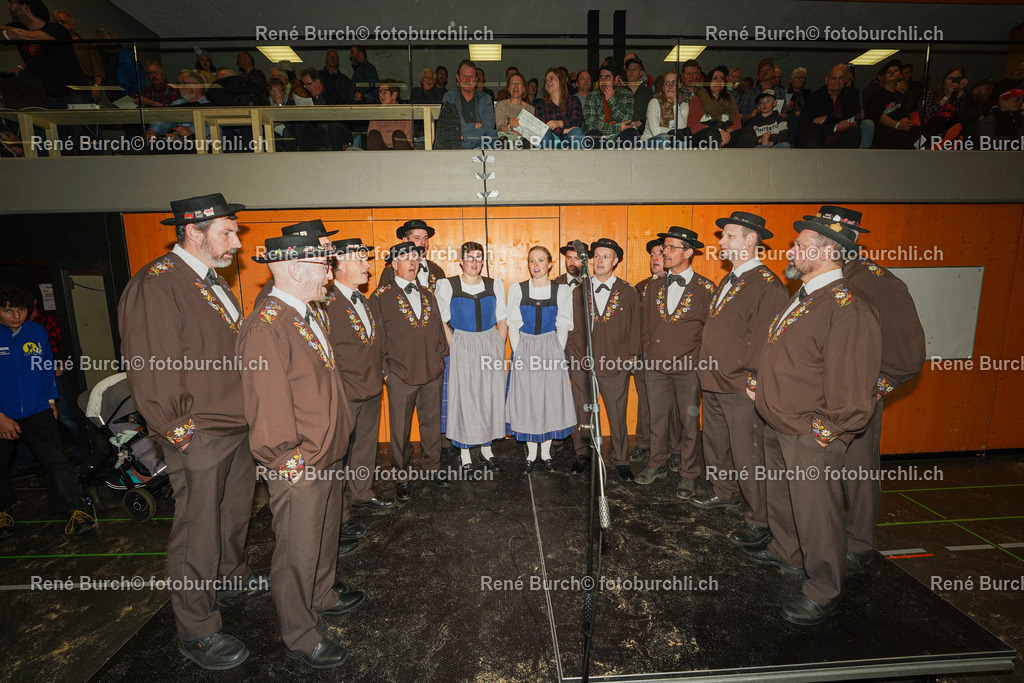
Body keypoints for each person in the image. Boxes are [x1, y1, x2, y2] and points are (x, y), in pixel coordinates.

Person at [118, 194, 262, 669]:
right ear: (193, 231)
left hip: (235, 421)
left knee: (235, 510)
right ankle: (197, 627)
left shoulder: (211, 280)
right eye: (228, 232)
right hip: (197, 429)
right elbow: (149, 363)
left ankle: (230, 572)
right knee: (196, 528)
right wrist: (177, 428)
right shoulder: (157, 284)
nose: (236, 241)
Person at [743, 211, 882, 626]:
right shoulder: (804, 294)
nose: (791, 251)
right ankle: (788, 552)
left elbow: (854, 387)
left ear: (825, 252)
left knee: (817, 513)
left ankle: (824, 588)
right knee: (784, 501)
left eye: (799, 246)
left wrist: (823, 433)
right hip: (778, 423)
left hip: (808, 432)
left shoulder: (848, 306)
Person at [238, 233, 358, 669]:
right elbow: (266, 404)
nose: (331, 273)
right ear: (294, 269)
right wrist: (288, 460)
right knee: (296, 548)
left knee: (324, 535)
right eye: (324, 266)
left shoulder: (306, 314)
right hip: (299, 461)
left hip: (325, 451)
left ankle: (322, 594)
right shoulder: (266, 326)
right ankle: (300, 634)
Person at [832, 206, 926, 575]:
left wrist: (870, 393)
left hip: (856, 399)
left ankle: (859, 545)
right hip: (819, 400)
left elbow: (908, 356)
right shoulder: (825, 280)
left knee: (857, 473)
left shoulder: (881, 284)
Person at [689, 213, 788, 548]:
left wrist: (755, 379)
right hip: (714, 380)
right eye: (723, 236)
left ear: (750, 241)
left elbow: (767, 340)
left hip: (740, 386)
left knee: (748, 454)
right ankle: (725, 492)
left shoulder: (767, 285)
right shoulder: (730, 279)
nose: (721, 242)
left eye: (729, 236)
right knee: (716, 444)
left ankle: (761, 518)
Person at [0, 285, 93, 540]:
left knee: (57, 461)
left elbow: (44, 368)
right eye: (8, 310)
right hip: (2, 414)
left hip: (37, 409)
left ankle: (75, 510)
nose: (16, 316)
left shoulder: (36, 331)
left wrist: (51, 400)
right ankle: (2, 512)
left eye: (21, 310)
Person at [635, 227, 716, 497]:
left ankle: (689, 473)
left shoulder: (706, 289)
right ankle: (656, 463)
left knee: (689, 422)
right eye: (664, 247)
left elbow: (711, 332)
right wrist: (648, 354)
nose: (664, 252)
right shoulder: (653, 286)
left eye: (671, 248)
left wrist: (697, 363)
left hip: (688, 370)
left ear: (689, 253)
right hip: (655, 367)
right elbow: (645, 326)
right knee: (657, 420)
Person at [372, 242, 450, 501]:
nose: (412, 261)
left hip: (431, 372)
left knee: (431, 424)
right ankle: (401, 474)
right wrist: (387, 373)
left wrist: (440, 359)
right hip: (400, 376)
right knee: (399, 430)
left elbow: (440, 330)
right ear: (394, 264)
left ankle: (432, 466)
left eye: (415, 257)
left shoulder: (428, 293)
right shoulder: (380, 297)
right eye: (405, 257)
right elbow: (377, 338)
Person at [326, 238, 395, 521]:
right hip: (345, 392)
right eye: (360, 261)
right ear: (339, 264)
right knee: (338, 454)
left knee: (365, 446)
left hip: (371, 387)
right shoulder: (325, 301)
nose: (368, 266)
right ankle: (338, 516)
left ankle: (362, 494)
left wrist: (382, 371)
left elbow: (375, 342)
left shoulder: (364, 299)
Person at [566, 238, 639, 481]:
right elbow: (571, 328)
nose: (599, 261)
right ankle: (581, 456)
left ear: (616, 261)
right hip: (582, 365)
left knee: (617, 415)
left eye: (605, 256)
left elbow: (635, 329)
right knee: (582, 413)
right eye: (596, 256)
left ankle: (621, 460)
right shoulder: (579, 290)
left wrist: (630, 359)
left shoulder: (628, 292)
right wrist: (575, 357)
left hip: (615, 365)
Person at [435, 242, 508, 470]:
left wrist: (498, 342)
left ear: (483, 261)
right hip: (462, 343)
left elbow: (502, 318)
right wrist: (454, 343)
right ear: (461, 261)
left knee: (488, 395)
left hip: (489, 342)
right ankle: (465, 453)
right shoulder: (447, 285)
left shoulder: (494, 284)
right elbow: (440, 318)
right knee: (465, 397)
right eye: (469, 258)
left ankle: (487, 449)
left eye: (478, 257)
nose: (474, 262)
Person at [506, 246, 575, 472]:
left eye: (541, 260)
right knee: (528, 400)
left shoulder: (561, 290)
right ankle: (531, 453)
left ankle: (546, 454)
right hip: (525, 346)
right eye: (532, 261)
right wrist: (519, 353)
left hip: (550, 346)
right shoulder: (518, 289)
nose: (536, 265)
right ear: (528, 264)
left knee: (550, 399)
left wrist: (556, 352)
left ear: (550, 264)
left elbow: (563, 324)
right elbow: (513, 324)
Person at [629, 239, 665, 463]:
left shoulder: (678, 286)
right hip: (643, 356)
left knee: (669, 407)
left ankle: (673, 449)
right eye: (652, 254)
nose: (655, 258)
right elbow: (633, 324)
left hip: (669, 358)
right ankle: (643, 443)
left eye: (660, 253)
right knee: (645, 401)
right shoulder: (641, 287)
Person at [796, 64, 867, 149]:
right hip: (819, 138)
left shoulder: (851, 94)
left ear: (847, 80)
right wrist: (835, 127)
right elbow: (805, 126)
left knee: (854, 131)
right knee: (813, 135)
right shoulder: (815, 97)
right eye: (833, 78)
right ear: (826, 79)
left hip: (841, 138)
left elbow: (854, 120)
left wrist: (826, 119)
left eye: (841, 78)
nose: (837, 82)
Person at [687, 65, 756, 148]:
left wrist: (726, 133)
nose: (719, 81)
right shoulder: (698, 99)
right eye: (715, 78)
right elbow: (692, 125)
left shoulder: (729, 99)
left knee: (749, 133)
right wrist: (719, 131)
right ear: (709, 81)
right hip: (705, 136)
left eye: (722, 79)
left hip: (726, 135)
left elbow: (737, 123)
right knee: (712, 134)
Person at [441, 59, 497, 149]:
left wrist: (464, 136)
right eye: (464, 76)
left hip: (480, 143)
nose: (467, 80)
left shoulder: (485, 98)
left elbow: (488, 127)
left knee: (492, 135)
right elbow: (450, 127)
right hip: (455, 144)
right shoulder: (449, 97)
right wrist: (474, 125)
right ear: (458, 78)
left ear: (476, 79)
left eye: (471, 77)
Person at [377, 219, 446, 291]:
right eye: (417, 238)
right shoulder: (390, 271)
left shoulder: (437, 270)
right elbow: (382, 298)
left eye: (425, 238)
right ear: (405, 241)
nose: (423, 242)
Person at [865, 59, 919, 149]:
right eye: (889, 72)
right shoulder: (874, 95)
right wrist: (897, 125)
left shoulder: (901, 97)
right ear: (883, 77)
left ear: (900, 76)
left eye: (895, 71)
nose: (892, 73)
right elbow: (877, 116)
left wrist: (905, 124)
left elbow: (904, 114)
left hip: (900, 133)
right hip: (881, 133)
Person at [295, 67, 353, 151]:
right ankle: (306, 158)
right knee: (300, 126)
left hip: (334, 132)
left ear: (317, 82)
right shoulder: (308, 100)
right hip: (317, 134)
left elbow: (343, 118)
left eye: (309, 84)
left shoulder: (334, 96)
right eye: (305, 85)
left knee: (334, 125)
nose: (307, 88)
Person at [52, 9, 103, 102]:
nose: (59, 24)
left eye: (63, 22)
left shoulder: (85, 44)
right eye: (56, 22)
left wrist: (96, 87)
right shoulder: (52, 45)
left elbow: (98, 69)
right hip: (58, 86)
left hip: (81, 85)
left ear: (73, 26)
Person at [583, 61, 638, 147]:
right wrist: (618, 127)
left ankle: (619, 159)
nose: (603, 81)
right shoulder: (592, 96)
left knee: (631, 133)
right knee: (592, 134)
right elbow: (591, 125)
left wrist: (611, 100)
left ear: (616, 80)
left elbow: (627, 120)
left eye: (607, 77)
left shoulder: (626, 94)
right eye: (601, 77)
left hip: (620, 136)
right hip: (602, 136)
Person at [534, 67, 585, 148]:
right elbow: (541, 129)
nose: (548, 82)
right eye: (546, 81)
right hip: (550, 141)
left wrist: (560, 123)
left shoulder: (573, 100)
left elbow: (576, 122)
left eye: (551, 78)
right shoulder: (541, 104)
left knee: (577, 132)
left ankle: (579, 160)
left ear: (561, 81)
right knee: (544, 135)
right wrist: (565, 130)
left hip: (569, 140)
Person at [641, 69, 688, 147]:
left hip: (671, 141)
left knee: (683, 142)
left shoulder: (684, 106)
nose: (670, 86)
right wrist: (674, 132)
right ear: (663, 87)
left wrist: (675, 105)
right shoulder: (654, 102)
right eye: (667, 83)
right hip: (649, 142)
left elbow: (681, 130)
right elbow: (656, 131)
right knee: (664, 138)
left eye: (674, 83)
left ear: (679, 85)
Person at [920, 66, 968, 140]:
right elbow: (925, 116)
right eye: (950, 78)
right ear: (944, 80)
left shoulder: (960, 95)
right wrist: (946, 97)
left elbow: (960, 116)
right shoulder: (932, 94)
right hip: (930, 133)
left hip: (950, 135)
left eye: (957, 79)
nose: (953, 82)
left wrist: (961, 91)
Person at [367, 79, 413, 150]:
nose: (380, 95)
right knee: (373, 134)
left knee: (398, 135)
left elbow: (407, 139)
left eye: (384, 92)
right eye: (379, 92)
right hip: (382, 150)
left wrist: (385, 135)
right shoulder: (377, 113)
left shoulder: (405, 112)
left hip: (402, 150)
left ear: (394, 95)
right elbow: (372, 138)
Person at [494, 72, 534, 144]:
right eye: (512, 84)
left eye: (519, 84)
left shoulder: (531, 109)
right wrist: (510, 127)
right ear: (508, 88)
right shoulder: (501, 105)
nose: (515, 87)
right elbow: (500, 127)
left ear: (524, 88)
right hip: (506, 142)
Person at [624, 57, 655, 134]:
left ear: (641, 73)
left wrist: (640, 123)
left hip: (643, 135)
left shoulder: (648, 92)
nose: (631, 72)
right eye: (629, 69)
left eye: (634, 69)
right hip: (623, 133)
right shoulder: (619, 92)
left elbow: (654, 116)